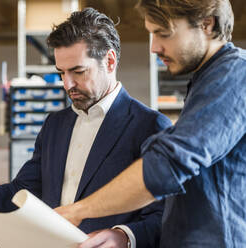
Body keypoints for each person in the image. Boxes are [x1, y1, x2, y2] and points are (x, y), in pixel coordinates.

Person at [0, 8, 172, 248]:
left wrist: (124, 236)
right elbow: (20, 194)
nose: (67, 84)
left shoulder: (150, 125)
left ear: (109, 61)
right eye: (61, 72)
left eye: (78, 71)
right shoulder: (55, 125)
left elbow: (166, 216)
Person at [55, 1, 246, 248]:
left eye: (163, 34)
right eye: (151, 34)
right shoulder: (204, 81)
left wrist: (78, 211)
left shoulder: (234, 74)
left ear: (207, 25)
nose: (154, 47)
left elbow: (167, 165)